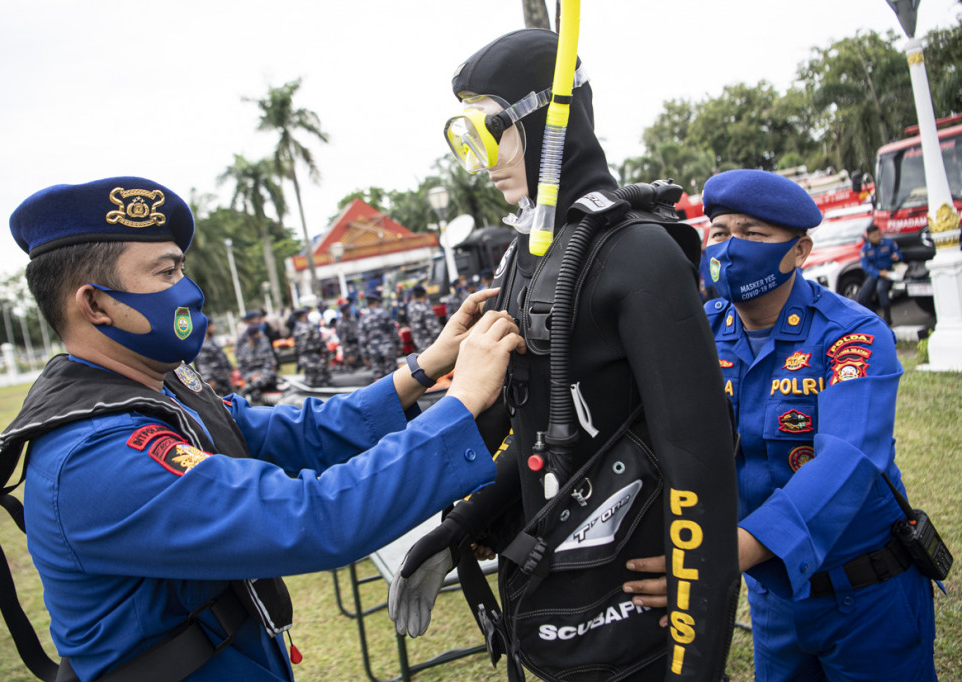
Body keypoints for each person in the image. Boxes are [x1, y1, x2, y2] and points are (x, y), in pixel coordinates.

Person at [0, 176, 524, 682]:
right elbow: (313, 518)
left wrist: (426, 365)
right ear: (94, 304)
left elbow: (301, 434)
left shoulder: (164, 393)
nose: (187, 291)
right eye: (166, 273)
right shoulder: (98, 456)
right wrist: (463, 400)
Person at [388, 29, 740, 682]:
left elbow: (702, 474)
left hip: (634, 624)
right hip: (553, 606)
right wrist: (460, 526)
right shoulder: (528, 254)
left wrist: (697, 661)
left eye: (491, 132)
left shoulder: (639, 255)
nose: (483, 159)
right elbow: (529, 426)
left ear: (550, 125)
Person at [699, 168, 937, 681]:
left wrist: (724, 555)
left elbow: (848, 458)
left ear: (801, 251)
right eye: (720, 233)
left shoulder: (851, 333)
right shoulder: (701, 330)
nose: (731, 248)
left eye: (753, 234)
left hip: (868, 596)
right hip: (774, 601)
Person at [856, 223, 903, 325]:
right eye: (874, 236)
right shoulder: (865, 249)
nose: (877, 237)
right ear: (869, 237)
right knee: (862, 297)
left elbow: (899, 254)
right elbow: (865, 266)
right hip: (875, 273)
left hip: (888, 271)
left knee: (881, 290)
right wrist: (878, 273)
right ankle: (875, 317)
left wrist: (897, 256)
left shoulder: (889, 243)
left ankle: (887, 318)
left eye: (878, 234)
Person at [236, 311, 278, 402]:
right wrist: (251, 377)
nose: (258, 336)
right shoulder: (244, 349)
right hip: (253, 377)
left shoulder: (264, 344)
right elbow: (242, 367)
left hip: (265, 375)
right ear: (250, 336)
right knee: (255, 392)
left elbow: (271, 363)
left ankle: (246, 389)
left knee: (262, 380)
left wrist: (261, 375)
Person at [359, 289, 400, 381]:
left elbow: (362, 339)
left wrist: (365, 355)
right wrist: (399, 345)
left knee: (379, 379)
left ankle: (382, 395)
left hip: (374, 351)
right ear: (377, 301)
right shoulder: (385, 314)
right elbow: (393, 331)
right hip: (388, 349)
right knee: (393, 377)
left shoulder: (364, 318)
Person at [292, 306, 331, 387]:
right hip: (314, 358)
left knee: (310, 382)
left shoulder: (296, 329)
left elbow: (296, 346)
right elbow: (319, 341)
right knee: (323, 381)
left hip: (304, 358)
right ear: (304, 315)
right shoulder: (310, 326)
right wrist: (327, 354)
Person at [195, 315, 233, 394]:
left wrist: (229, 368)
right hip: (215, 381)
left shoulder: (214, 340)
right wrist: (209, 380)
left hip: (224, 377)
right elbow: (202, 364)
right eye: (212, 326)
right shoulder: (202, 344)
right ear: (206, 327)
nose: (214, 328)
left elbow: (222, 356)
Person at [406, 284, 443, 352]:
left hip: (420, 344)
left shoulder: (411, 308)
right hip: (431, 345)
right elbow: (433, 328)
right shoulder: (425, 308)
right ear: (425, 294)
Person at [335, 301, 362, 368]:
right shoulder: (340, 323)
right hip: (349, 350)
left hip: (358, 348)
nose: (350, 311)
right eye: (348, 309)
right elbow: (342, 340)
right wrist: (349, 354)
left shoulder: (353, 320)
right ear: (344, 311)